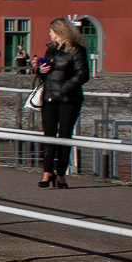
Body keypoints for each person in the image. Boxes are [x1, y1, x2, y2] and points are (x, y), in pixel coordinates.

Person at [34, 17, 91, 189]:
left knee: (65, 136)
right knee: (49, 135)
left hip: (69, 100)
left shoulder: (76, 50)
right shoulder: (50, 50)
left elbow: (82, 75)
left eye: (51, 30)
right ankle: (47, 172)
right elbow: (47, 75)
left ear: (59, 31)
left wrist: (63, 90)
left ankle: (61, 174)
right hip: (49, 98)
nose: (49, 33)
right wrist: (40, 70)